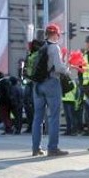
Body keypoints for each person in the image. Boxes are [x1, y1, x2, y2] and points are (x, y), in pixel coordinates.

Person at [31, 23, 74, 156]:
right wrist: (68, 71)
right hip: (51, 83)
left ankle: (36, 148)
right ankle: (53, 148)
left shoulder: (39, 47)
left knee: (37, 117)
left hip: (37, 84)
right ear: (56, 34)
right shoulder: (54, 47)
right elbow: (59, 67)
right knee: (53, 117)